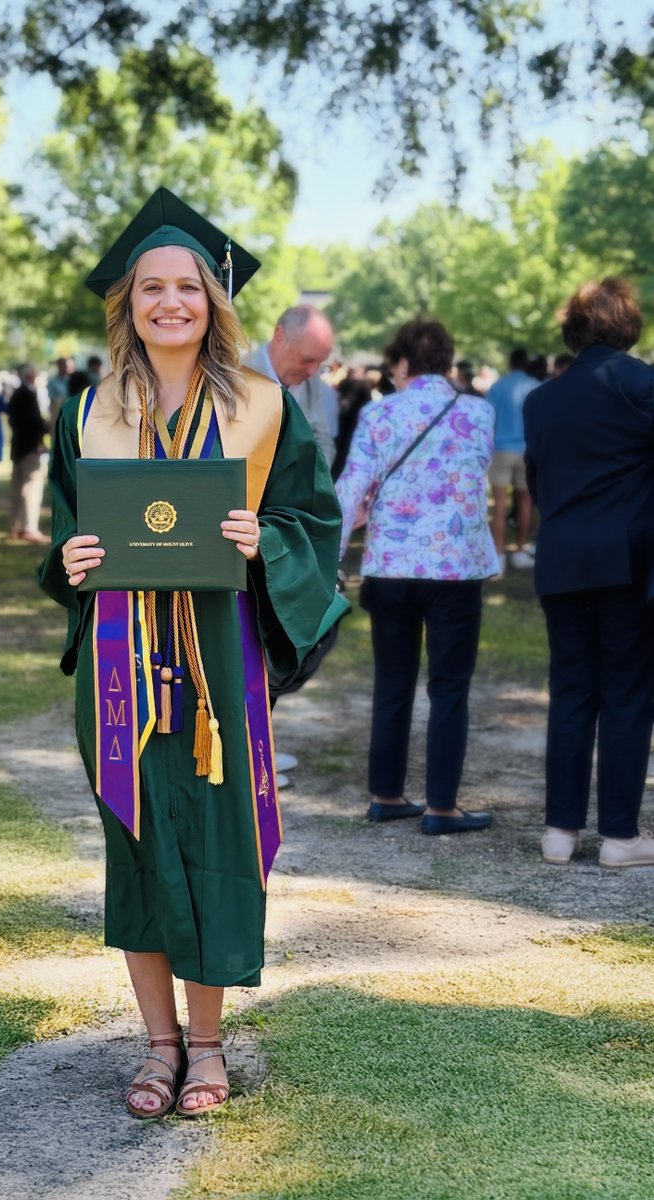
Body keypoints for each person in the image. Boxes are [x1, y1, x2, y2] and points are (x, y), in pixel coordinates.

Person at [39, 189, 340, 1119]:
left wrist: (267, 542)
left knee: (215, 844)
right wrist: (70, 561)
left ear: (215, 299)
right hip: (122, 670)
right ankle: (157, 1043)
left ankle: (207, 1045)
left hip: (219, 665)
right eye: (150, 289)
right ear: (126, 304)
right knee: (135, 845)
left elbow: (312, 523)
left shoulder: (262, 407)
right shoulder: (86, 412)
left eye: (189, 288)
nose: (170, 303)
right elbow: (62, 536)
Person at [336, 319, 498, 835]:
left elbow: (351, 486)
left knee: (392, 683)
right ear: (448, 363)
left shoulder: (378, 414)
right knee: (449, 687)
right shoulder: (479, 411)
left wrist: (333, 556)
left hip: (389, 564)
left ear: (401, 363)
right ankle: (442, 806)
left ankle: (386, 794)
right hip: (455, 567)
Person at [524, 277, 654, 869]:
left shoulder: (541, 400)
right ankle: (621, 837)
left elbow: (538, 482)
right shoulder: (642, 384)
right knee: (627, 693)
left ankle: (561, 831)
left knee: (573, 692)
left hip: (561, 556)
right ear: (628, 324)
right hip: (627, 558)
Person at [246, 305, 338, 468]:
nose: (313, 371)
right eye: (307, 360)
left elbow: (324, 442)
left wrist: (312, 483)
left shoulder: (312, 381)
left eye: (320, 362)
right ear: (279, 336)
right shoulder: (237, 375)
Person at [485, 347, 539, 574]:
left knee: (499, 506)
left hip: (501, 448)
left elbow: (489, 418)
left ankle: (498, 555)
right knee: (525, 503)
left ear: (509, 363)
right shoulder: (535, 386)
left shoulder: (497, 387)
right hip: (526, 449)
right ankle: (519, 550)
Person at [7, 363, 50, 544]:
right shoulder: (27, 394)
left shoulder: (17, 394)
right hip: (29, 448)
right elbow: (34, 422)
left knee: (19, 488)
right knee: (30, 488)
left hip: (19, 447)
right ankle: (27, 527)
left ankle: (17, 526)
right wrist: (45, 432)